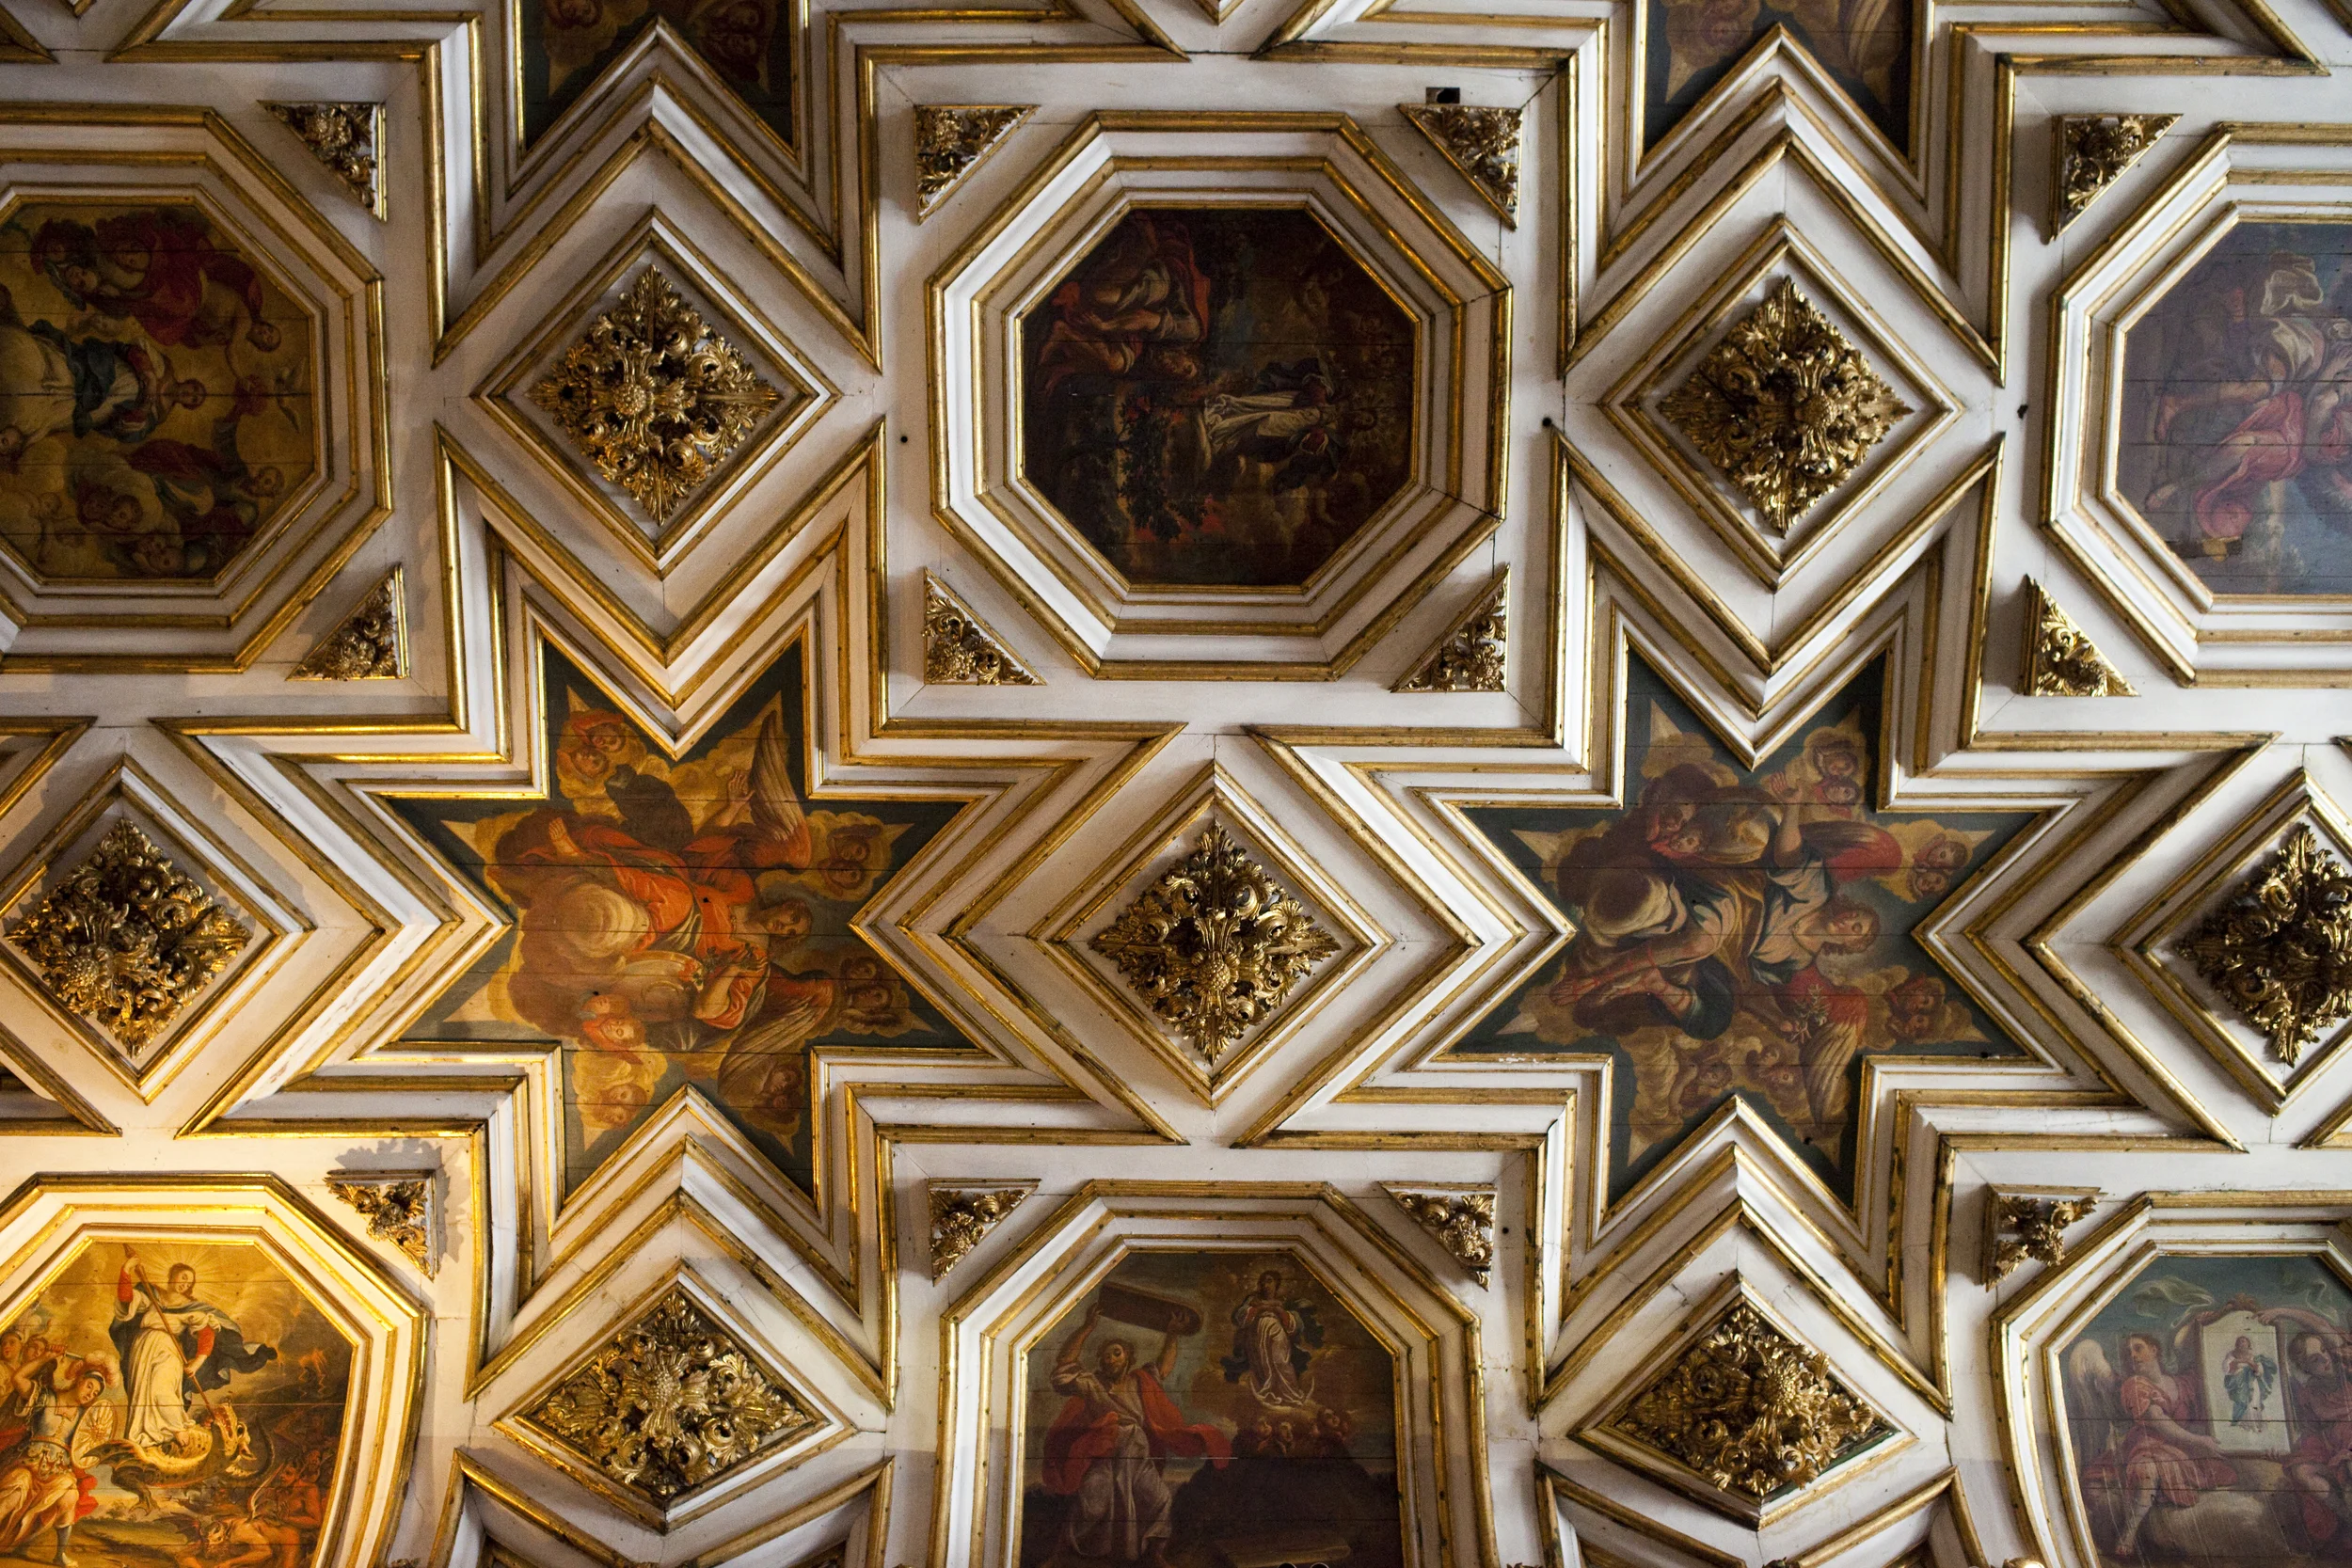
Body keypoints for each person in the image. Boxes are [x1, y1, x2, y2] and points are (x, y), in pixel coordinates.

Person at [1039, 1304, 1228, 1566]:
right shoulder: (1091, 1383)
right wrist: (1086, 1328)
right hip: (1104, 1453)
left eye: (1116, 1353)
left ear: (1127, 1358)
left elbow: (1163, 1367)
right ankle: (1064, 1552)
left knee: (1160, 1499)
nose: (1110, 1359)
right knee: (1091, 1503)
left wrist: (1172, 1333)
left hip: (1137, 1454)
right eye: (1105, 1355)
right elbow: (1063, 1368)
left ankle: (1154, 1552)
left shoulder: (1139, 1381)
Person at [110, 1254, 272, 1454]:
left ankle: (176, 1428)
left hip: (167, 1348)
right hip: (142, 1350)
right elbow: (126, 1300)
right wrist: (126, 1270)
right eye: (183, 1277)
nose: (185, 1283)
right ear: (172, 1276)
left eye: (189, 1281)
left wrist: (197, 1362)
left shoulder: (192, 1308)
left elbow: (206, 1332)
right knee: (142, 1394)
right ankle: (144, 1442)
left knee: (163, 1387)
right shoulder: (151, 1296)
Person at [2103, 1331, 2236, 1558]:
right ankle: (2129, 1533)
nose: (2133, 1356)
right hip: (2147, 1444)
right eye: (2128, 1353)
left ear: (2154, 1350)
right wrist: (2198, 1440)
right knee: (2148, 1470)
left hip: (2183, 1446)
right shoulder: (2134, 1385)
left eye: (2138, 1348)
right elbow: (2159, 1422)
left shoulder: (2183, 1383)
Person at [0, 1355, 113, 1564]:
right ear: (79, 1380)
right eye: (89, 1386)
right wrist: (46, 1358)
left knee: (69, 1493)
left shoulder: (83, 1418)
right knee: (17, 1487)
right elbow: (18, 1379)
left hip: (59, 1470)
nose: (90, 1394)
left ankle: (60, 1554)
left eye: (95, 1393)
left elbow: (85, 1450)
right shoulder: (46, 1397)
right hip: (29, 1463)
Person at [2223, 1333, 2279, 1428]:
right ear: (2237, 1344)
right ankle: (2241, 1425)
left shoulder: (2253, 1356)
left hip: (2252, 1383)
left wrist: (2251, 1364)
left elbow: (2259, 1370)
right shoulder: (2232, 1355)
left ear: (2248, 1344)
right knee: (2241, 1402)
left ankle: (2254, 1425)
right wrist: (2245, 1362)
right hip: (2238, 1384)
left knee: (2253, 1402)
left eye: (2244, 1342)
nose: (2242, 1344)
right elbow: (2227, 1368)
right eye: (2240, 1342)